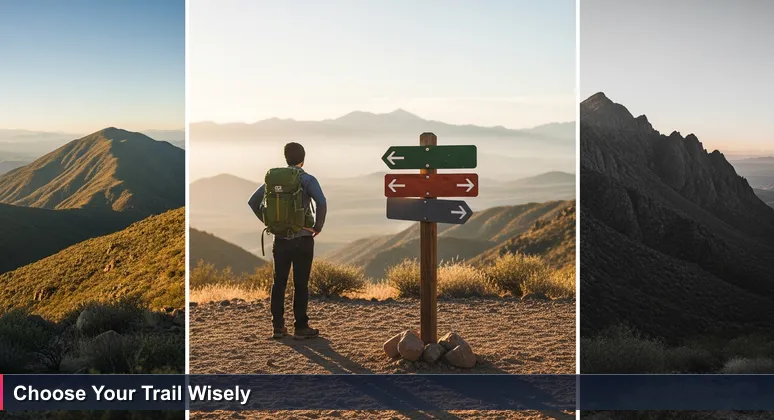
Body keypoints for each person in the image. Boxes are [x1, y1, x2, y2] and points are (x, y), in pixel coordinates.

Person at [248, 142, 327, 339]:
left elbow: (253, 202)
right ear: (303, 158)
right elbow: (322, 202)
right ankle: (301, 327)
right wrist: (317, 227)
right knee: (301, 283)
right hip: (303, 239)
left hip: (280, 239)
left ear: (286, 158)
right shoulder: (307, 179)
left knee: (279, 282)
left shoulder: (273, 179)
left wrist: (270, 223)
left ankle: (278, 327)